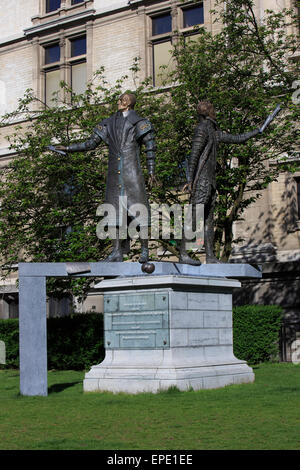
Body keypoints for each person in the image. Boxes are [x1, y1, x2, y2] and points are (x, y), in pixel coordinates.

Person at [50, 93, 156, 263]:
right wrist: (67, 148)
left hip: (132, 173)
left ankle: (144, 250)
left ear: (128, 103)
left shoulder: (140, 122)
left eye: (122, 100)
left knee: (138, 210)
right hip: (114, 175)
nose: (119, 102)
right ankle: (116, 251)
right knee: (113, 212)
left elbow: (150, 146)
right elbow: (90, 143)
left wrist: (151, 171)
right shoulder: (108, 122)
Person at [180, 100, 274, 265]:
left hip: (209, 181)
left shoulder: (213, 131)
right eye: (211, 108)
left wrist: (257, 131)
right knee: (194, 217)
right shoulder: (203, 129)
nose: (214, 110)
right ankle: (183, 253)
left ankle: (210, 256)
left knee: (209, 219)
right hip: (202, 180)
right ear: (205, 112)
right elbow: (193, 156)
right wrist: (190, 179)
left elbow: (237, 138)